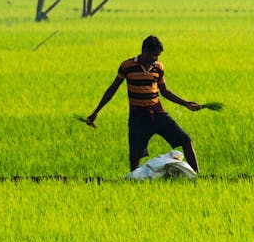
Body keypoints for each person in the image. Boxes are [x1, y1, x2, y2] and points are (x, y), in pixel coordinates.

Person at [85, 35, 203, 173]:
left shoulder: (158, 67)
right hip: (138, 117)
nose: (156, 59)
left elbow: (164, 91)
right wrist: (96, 111)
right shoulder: (127, 66)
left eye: (158, 56)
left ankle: (197, 176)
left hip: (158, 114)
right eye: (154, 55)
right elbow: (112, 89)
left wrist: (186, 103)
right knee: (135, 157)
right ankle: (134, 181)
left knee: (185, 140)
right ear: (145, 51)